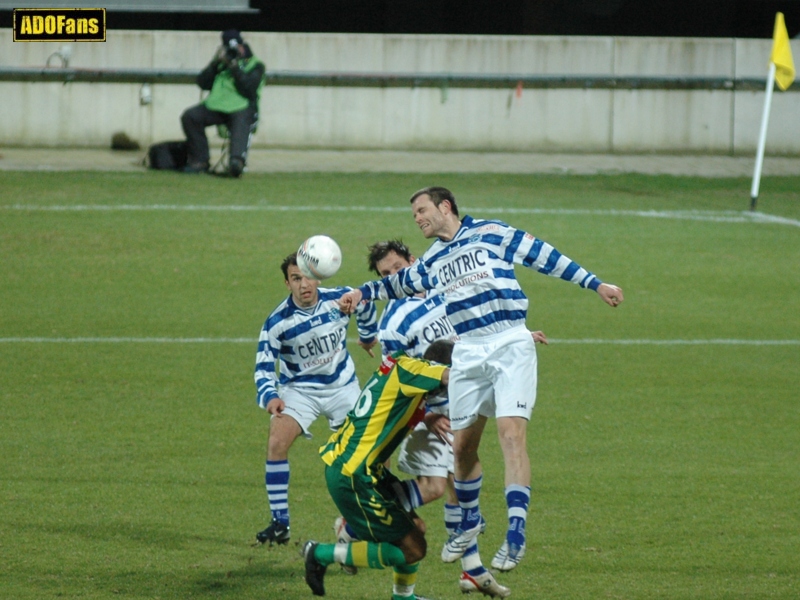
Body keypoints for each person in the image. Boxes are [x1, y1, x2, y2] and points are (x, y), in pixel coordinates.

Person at [338, 186, 624, 573]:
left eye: (422, 210)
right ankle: (469, 521)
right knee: (462, 451)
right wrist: (361, 292)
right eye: (414, 215)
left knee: (510, 435)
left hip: (509, 342)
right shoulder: (433, 260)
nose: (418, 218)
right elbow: (396, 285)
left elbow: (545, 257)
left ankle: (516, 533)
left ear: (445, 207)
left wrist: (596, 284)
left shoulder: (492, 232)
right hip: (469, 352)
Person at [303, 341, 453, 600]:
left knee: (416, 527)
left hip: (365, 471)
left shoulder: (404, 370)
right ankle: (319, 554)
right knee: (414, 549)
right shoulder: (414, 369)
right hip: (353, 475)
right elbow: (450, 375)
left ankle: (403, 596)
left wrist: (428, 416)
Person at [254, 252, 377, 546]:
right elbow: (263, 365)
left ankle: (358, 521)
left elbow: (367, 303)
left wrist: (368, 335)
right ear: (287, 283)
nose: (304, 284)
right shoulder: (276, 323)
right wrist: (270, 396)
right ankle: (280, 523)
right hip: (300, 391)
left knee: (364, 456)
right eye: (296, 278)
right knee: (276, 441)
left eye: (308, 276)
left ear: (318, 276)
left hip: (343, 388)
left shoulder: (339, 298)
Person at [180, 29, 265, 177]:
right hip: (216, 105)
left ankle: (236, 161)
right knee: (190, 116)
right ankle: (200, 161)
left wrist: (235, 68)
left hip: (241, 106)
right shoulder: (220, 63)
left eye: (236, 47)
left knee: (241, 121)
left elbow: (249, 89)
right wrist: (215, 64)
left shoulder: (255, 64)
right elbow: (202, 83)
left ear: (242, 46)